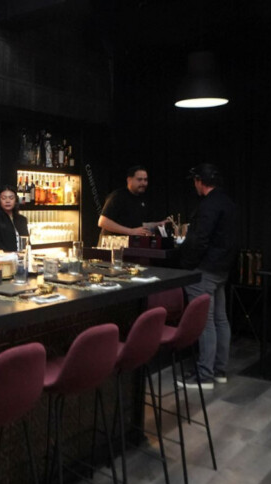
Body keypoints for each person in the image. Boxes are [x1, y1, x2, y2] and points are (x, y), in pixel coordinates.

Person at [177, 163, 239, 389]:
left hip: (205, 270)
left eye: (195, 181)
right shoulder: (228, 203)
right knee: (220, 319)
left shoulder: (208, 206)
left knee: (206, 322)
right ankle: (219, 370)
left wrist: (187, 265)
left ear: (200, 181)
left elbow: (199, 240)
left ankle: (204, 375)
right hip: (222, 269)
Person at [98, 165, 171, 240]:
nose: (143, 183)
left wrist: (158, 224)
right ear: (129, 180)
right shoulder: (117, 196)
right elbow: (103, 222)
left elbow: (138, 225)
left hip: (130, 247)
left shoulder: (142, 199)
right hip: (112, 247)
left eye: (145, 180)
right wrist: (131, 231)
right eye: (139, 180)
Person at [0, 185, 30, 252]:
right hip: (3, 258)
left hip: (22, 257)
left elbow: (27, 242)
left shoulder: (22, 219)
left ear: (16, 200)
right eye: (4, 198)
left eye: (11, 198)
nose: (7, 201)